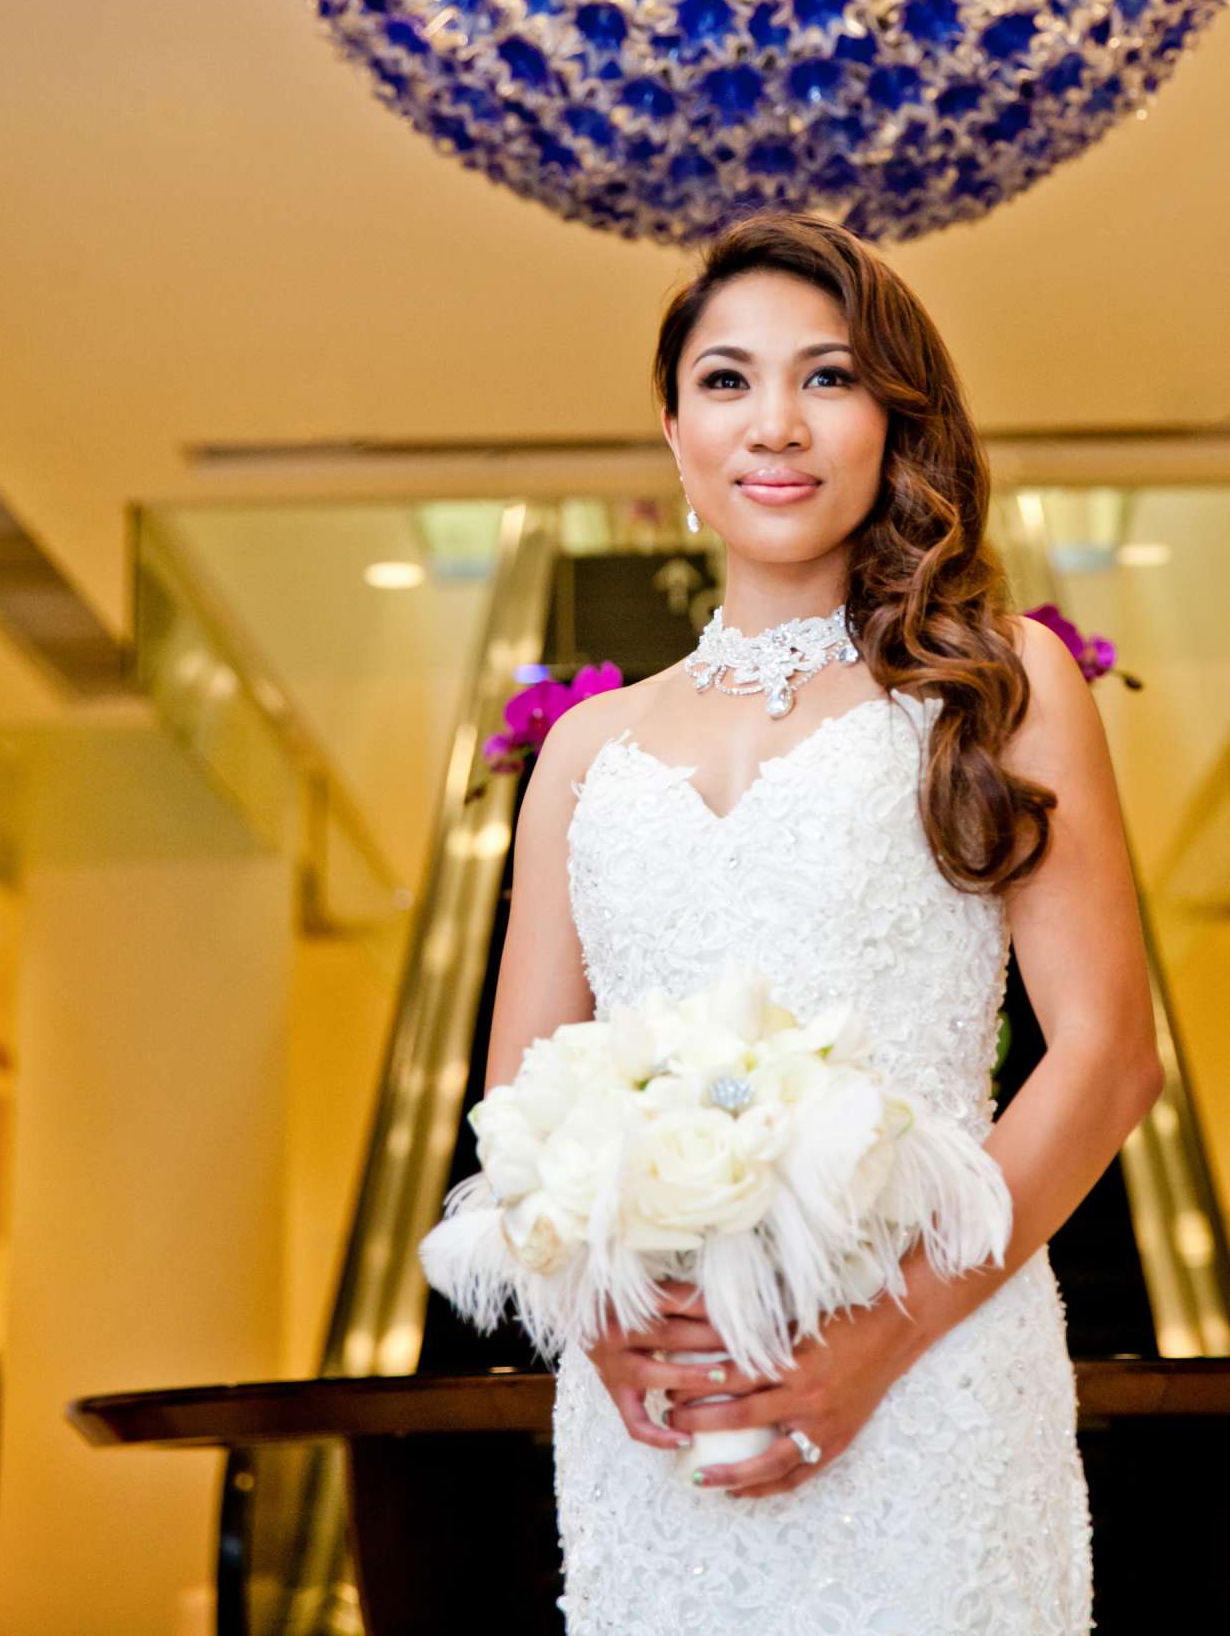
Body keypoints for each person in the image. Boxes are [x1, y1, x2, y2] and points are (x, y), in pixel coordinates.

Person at [475, 208, 1162, 1633]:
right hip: (661, 1402)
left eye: (828, 376)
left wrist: (873, 1342)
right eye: (727, 381)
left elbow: (1105, 1059)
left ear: (892, 420)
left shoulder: (1002, 684)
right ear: (674, 438)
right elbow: (516, 1107)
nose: (774, 422)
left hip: (935, 1370)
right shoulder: (585, 756)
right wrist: (609, 1339)